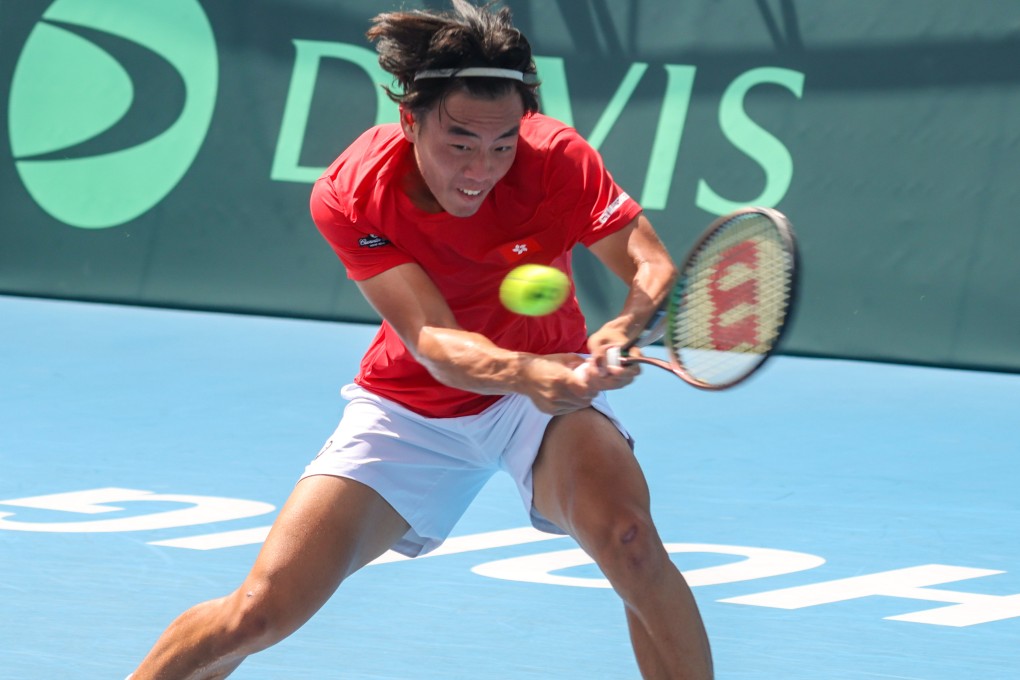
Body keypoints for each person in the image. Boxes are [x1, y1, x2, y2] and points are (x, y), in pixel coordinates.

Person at [130, 1, 713, 678]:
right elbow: (434, 338)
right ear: (410, 120)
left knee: (630, 542)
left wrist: (621, 325)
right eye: (459, 143)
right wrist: (529, 372)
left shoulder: (557, 161)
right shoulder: (354, 192)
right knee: (261, 611)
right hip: (416, 407)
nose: (481, 168)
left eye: (502, 145)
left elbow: (653, 265)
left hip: (543, 403)